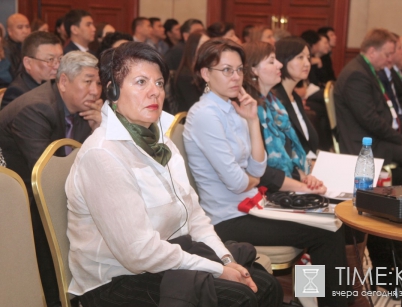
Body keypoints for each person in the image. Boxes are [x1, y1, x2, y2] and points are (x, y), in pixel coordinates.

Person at [66, 41, 281, 307]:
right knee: (242, 295)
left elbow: (195, 214)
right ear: (112, 90)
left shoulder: (161, 141)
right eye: (141, 82)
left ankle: (320, 298)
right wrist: (216, 268)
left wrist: (226, 260)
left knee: (267, 284)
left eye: (158, 83)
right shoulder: (104, 154)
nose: (154, 92)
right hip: (115, 281)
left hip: (169, 255)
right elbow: (138, 253)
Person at [183, 38, 348, 307]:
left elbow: (257, 167)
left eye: (239, 70)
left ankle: (314, 299)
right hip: (229, 217)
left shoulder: (234, 107)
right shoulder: (204, 115)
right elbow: (238, 182)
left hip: (253, 205)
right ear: (205, 74)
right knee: (326, 234)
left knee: (328, 223)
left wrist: (251, 120)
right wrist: (250, 178)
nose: (236, 77)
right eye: (226, 70)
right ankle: (331, 303)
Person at [0, 51, 102, 307]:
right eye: (88, 81)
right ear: (64, 82)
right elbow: (47, 177)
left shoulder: (82, 109)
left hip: (52, 190)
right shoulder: (37, 107)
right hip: (18, 200)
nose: (95, 90)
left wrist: (100, 128)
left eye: (98, 83)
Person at [334, 28, 402, 186]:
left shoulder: (368, 70)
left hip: (375, 136)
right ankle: (384, 193)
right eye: (387, 54)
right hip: (364, 142)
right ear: (372, 52)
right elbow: (369, 119)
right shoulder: (357, 75)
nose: (390, 59)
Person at [243, 40, 324, 193]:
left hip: (284, 184)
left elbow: (288, 156)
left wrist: (304, 177)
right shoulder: (249, 110)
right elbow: (260, 173)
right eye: (272, 61)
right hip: (263, 193)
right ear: (253, 70)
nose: (279, 65)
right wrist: (303, 186)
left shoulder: (275, 106)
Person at [2, 31, 63, 108]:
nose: (57, 66)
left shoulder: (59, 84)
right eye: (50, 59)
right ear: (28, 63)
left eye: (60, 58)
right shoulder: (17, 93)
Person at [173, 31, 209, 113]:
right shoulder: (185, 75)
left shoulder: (203, 70)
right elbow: (194, 105)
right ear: (194, 47)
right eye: (203, 44)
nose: (207, 48)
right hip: (190, 118)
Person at [3, 13, 31, 79]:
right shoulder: (5, 49)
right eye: (20, 27)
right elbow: (15, 76)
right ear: (9, 31)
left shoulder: (30, 46)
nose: (25, 31)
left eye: (27, 27)